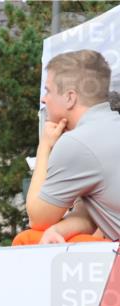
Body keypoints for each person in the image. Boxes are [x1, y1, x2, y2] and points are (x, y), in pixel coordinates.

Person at [13, 50, 119, 245]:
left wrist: (44, 147)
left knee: (26, 240)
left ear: (70, 97)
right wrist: (58, 229)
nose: (44, 99)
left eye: (48, 90)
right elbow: (89, 213)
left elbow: (38, 218)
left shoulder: (78, 143)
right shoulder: (110, 127)